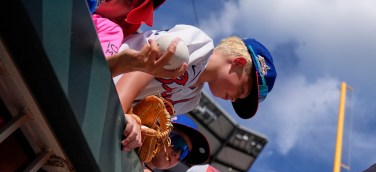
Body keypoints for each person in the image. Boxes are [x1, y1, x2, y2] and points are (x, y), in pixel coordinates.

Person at [114, 24, 277, 118]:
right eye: (241, 90)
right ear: (239, 62)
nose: (234, 99)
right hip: (102, 67)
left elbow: (138, 116)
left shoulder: (190, 101)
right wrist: (115, 115)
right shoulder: (201, 44)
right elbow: (145, 67)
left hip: (110, 103)